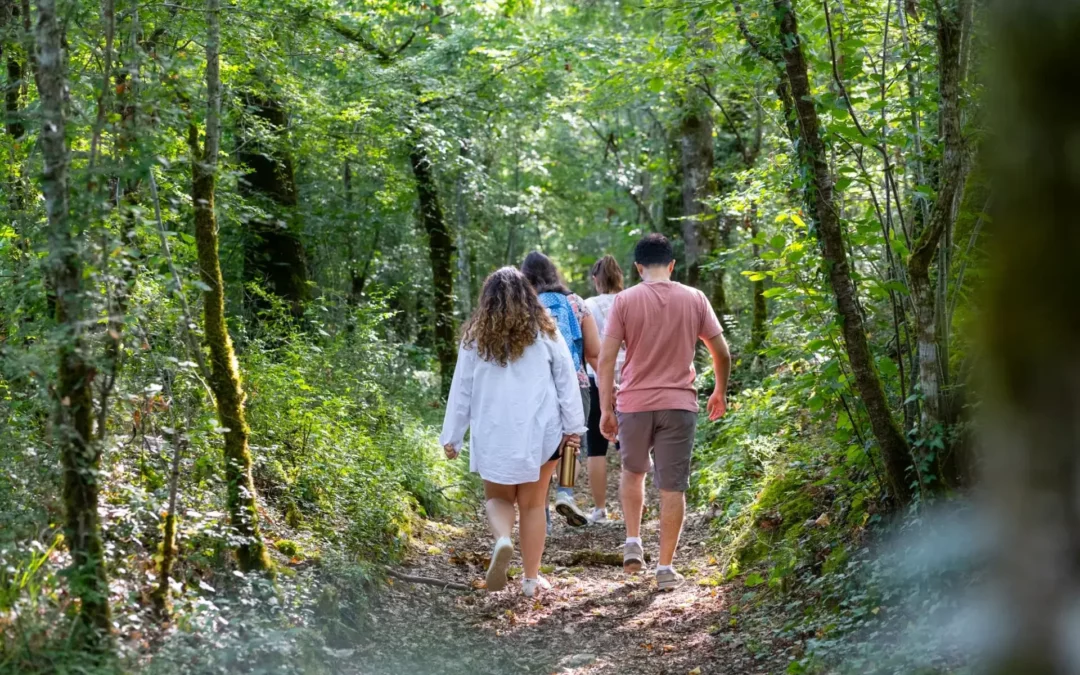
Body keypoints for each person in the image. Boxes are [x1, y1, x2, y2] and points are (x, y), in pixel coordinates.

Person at [440, 267, 587, 597]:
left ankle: (503, 539)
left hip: (493, 433)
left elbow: (461, 388)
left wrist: (453, 436)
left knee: (497, 497)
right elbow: (566, 380)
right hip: (541, 432)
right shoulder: (546, 332)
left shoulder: (474, 338)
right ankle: (531, 581)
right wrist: (574, 427)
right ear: (528, 296)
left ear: (487, 300)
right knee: (534, 506)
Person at [597, 234, 731, 591]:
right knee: (673, 488)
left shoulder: (624, 301)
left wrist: (605, 408)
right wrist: (720, 390)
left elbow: (606, 359)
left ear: (638, 267)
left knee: (633, 471)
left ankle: (632, 542)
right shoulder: (695, 298)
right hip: (679, 405)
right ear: (671, 265)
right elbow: (722, 353)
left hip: (634, 405)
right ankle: (666, 568)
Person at [520, 251, 601, 528]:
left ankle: (540, 517)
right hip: (576, 384)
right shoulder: (576, 303)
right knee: (572, 443)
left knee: (539, 448)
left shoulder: (523, 305)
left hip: (535, 387)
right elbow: (593, 352)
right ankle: (565, 492)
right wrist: (610, 388)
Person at [582, 255, 626, 524]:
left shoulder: (588, 306)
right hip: (629, 379)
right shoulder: (631, 300)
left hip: (596, 378)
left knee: (596, 448)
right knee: (629, 445)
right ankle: (633, 505)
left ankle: (600, 510)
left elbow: (588, 347)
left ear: (596, 280)